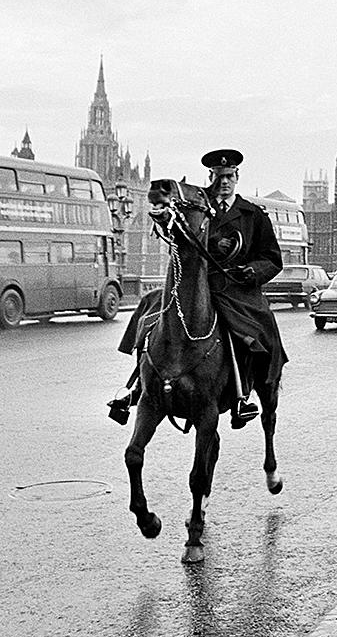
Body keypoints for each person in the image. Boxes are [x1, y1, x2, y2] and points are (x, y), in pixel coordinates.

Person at [108, 148, 288, 430]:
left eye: (229, 176)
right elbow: (172, 221)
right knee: (151, 310)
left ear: (237, 176)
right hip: (193, 283)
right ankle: (138, 385)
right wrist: (161, 215)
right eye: (219, 176)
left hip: (234, 288)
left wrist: (251, 271)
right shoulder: (197, 202)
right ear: (211, 176)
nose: (224, 181)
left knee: (258, 331)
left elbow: (273, 259)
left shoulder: (253, 215)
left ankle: (245, 394)